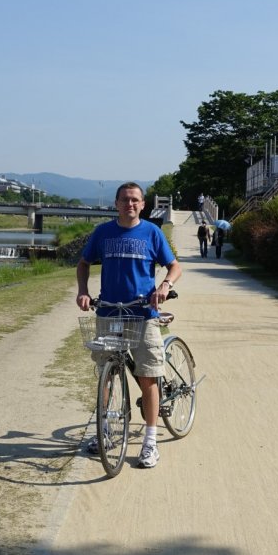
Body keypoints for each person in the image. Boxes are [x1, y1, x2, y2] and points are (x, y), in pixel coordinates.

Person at [77, 182, 182, 469]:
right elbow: (84, 262)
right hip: (110, 314)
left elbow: (175, 266)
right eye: (125, 199)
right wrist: (83, 291)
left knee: (148, 376)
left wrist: (165, 285)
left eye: (135, 200)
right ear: (116, 203)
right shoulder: (103, 233)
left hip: (143, 315)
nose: (130, 204)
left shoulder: (152, 232)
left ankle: (150, 442)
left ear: (143, 204)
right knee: (107, 374)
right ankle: (106, 431)